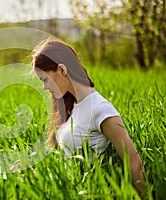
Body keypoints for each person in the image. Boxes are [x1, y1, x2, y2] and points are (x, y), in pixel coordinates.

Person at [32, 38, 146, 195]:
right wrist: (34, 171)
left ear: (62, 70)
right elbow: (68, 161)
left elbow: (134, 163)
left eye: (45, 79)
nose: (44, 87)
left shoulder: (100, 109)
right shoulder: (72, 106)